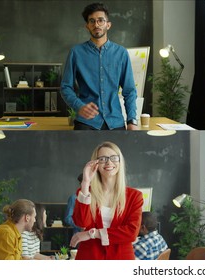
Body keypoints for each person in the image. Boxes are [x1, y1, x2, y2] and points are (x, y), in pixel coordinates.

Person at [61, 2, 139, 130]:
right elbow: (65, 87)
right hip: (86, 123)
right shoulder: (76, 52)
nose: (96, 24)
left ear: (108, 25)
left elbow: (129, 90)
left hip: (115, 123)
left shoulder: (121, 53)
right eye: (92, 21)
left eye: (100, 20)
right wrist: (79, 106)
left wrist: (132, 120)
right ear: (87, 26)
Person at [69, 141, 144, 259]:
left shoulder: (135, 196)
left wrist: (92, 234)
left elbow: (131, 232)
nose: (109, 162)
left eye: (114, 158)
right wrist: (86, 182)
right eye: (103, 159)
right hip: (89, 257)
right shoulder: (84, 192)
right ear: (96, 164)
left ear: (120, 162)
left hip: (121, 258)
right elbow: (81, 222)